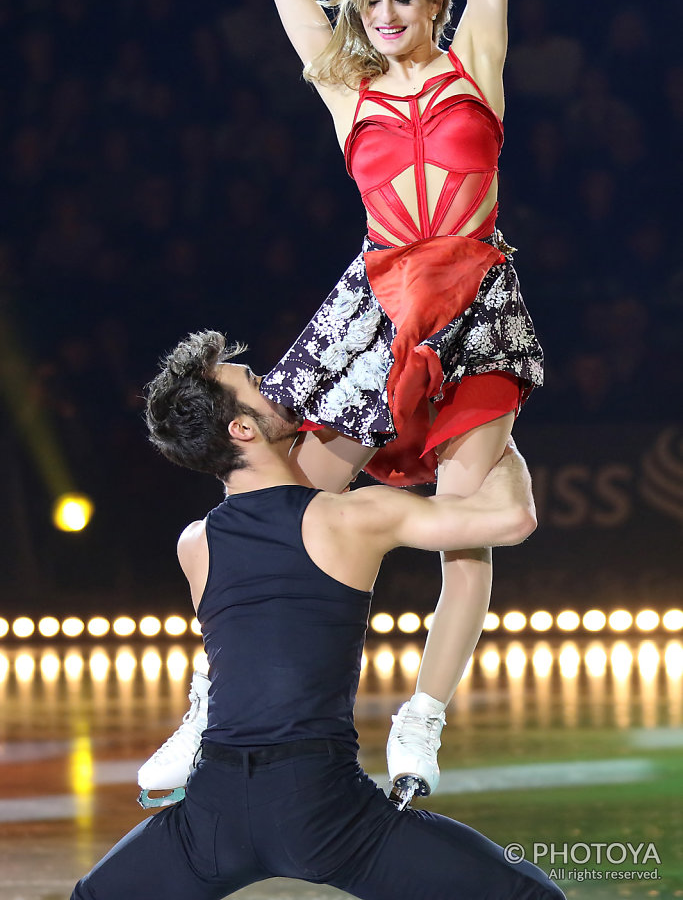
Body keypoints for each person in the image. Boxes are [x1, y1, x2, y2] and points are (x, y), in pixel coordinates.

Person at [140, 0, 543, 803]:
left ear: (439, 3)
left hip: (475, 311)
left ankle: (421, 719)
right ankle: (211, 701)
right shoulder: (343, 83)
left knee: (465, 525)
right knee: (272, 510)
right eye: (372, 0)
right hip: (374, 313)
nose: (386, 13)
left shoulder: (474, 61)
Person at [73, 330, 563, 900]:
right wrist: (489, 428)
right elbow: (511, 519)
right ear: (243, 429)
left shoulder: (196, 543)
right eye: (256, 384)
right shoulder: (350, 517)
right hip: (321, 809)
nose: (277, 384)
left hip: (215, 812)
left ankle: (198, 716)